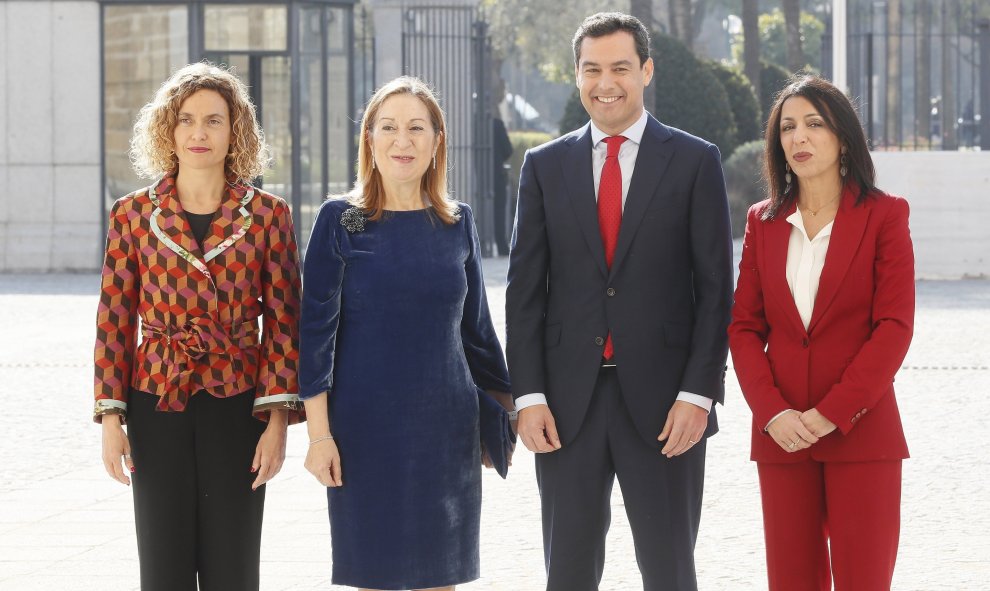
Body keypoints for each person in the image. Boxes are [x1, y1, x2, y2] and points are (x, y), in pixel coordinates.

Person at [505, 12, 733, 591]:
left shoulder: (693, 160)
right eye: (592, 69)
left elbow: (714, 291)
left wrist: (698, 395)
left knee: (669, 571)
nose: (606, 82)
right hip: (564, 407)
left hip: (666, 408)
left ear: (646, 71)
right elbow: (525, 292)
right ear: (577, 76)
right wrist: (527, 396)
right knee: (569, 573)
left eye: (621, 68)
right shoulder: (544, 165)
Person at [94, 62, 304, 590]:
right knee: (163, 566)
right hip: (155, 398)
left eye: (213, 120)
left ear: (236, 131)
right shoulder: (133, 215)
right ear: (168, 129)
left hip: (239, 401)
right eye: (186, 120)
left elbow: (284, 322)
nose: (198, 133)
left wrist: (277, 421)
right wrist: (112, 420)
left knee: (233, 565)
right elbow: (114, 319)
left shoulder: (268, 215)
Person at [298, 76, 513, 591]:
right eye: (389, 127)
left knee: (442, 580)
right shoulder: (338, 221)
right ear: (369, 139)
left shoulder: (457, 221)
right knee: (375, 576)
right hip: (362, 434)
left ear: (437, 141)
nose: (403, 140)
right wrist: (319, 435)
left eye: (417, 128)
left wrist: (504, 416)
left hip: (447, 434)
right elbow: (314, 336)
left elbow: (478, 331)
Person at [727, 75, 915, 591]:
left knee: (864, 581)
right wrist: (771, 412)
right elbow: (743, 327)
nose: (798, 138)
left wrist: (834, 412)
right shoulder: (762, 222)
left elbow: (894, 328)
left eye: (814, 124)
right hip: (782, 438)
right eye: (788, 127)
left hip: (861, 434)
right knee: (790, 582)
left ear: (843, 136)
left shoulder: (884, 215)